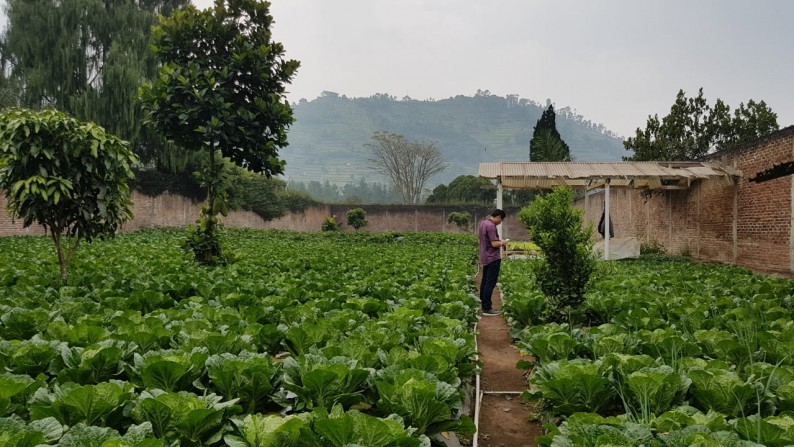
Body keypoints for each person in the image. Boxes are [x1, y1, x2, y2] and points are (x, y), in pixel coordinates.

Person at [478, 209, 508, 316]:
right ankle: (487, 308)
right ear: (498, 217)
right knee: (490, 283)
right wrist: (503, 242)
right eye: (501, 220)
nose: (500, 222)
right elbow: (494, 244)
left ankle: (483, 304)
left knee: (485, 281)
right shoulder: (491, 226)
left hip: (485, 257)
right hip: (492, 258)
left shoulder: (483, 223)